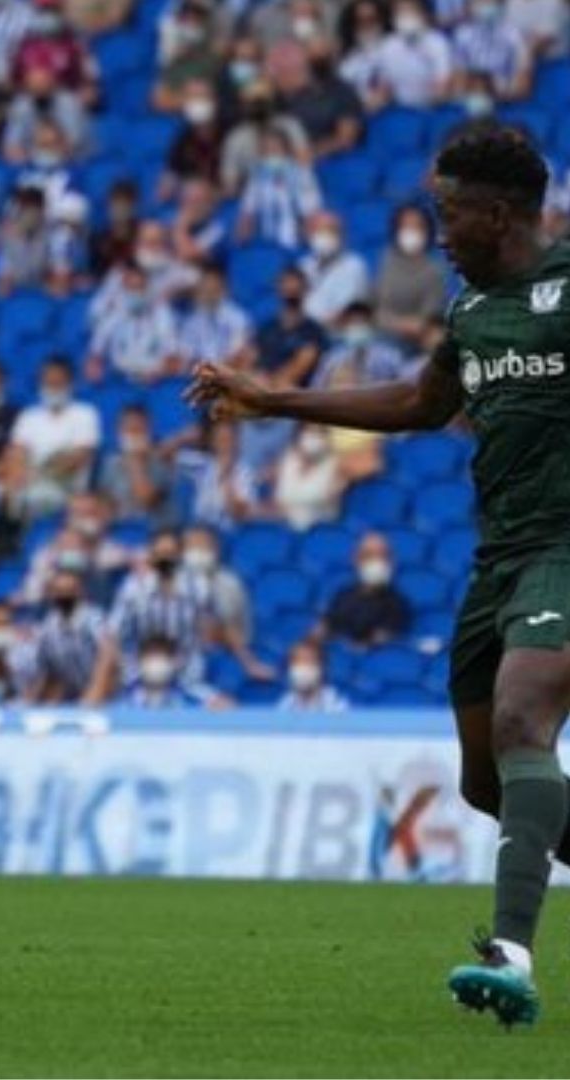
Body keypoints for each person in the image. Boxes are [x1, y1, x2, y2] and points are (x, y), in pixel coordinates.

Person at [188, 124, 570, 1027]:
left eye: (449, 213)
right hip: (501, 558)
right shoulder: (471, 314)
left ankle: (511, 956)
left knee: (523, 718)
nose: (437, 232)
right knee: (487, 782)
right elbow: (417, 402)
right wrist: (274, 400)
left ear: (499, 213)